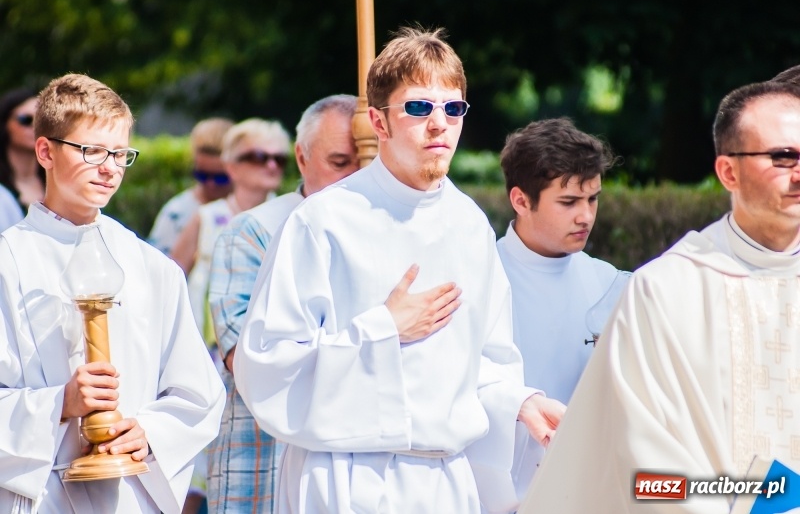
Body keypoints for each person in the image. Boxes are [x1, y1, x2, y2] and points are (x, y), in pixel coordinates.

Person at [234, 26, 565, 514]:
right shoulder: (322, 221)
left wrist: (518, 403)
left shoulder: (470, 226)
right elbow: (267, 364)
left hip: (445, 480)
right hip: (345, 477)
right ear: (379, 122)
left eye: (453, 108)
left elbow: (486, 363)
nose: (439, 124)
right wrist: (383, 329)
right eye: (418, 107)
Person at [519, 79, 800, 513]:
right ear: (728, 172)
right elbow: (649, 476)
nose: (798, 171)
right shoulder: (665, 291)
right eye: (782, 157)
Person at [0, 73, 225, 513]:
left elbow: (197, 394)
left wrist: (149, 433)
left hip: (129, 498)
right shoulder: (7, 264)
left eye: (121, 154)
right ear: (45, 150)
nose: (110, 168)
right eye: (92, 151)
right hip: (39, 497)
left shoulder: (153, 268)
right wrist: (59, 403)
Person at [206, 93, 359, 513]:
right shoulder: (253, 232)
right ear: (302, 157)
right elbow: (248, 362)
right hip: (263, 458)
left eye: (366, 162)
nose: (354, 178)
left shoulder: (383, 234)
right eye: (340, 162)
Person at [495, 117, 619, 500]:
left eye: (592, 199)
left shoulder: (611, 283)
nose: (585, 216)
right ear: (520, 200)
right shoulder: (482, 276)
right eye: (568, 202)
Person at [171, 117, 290, 513]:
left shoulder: (291, 221)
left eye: (278, 158)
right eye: (258, 157)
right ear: (232, 164)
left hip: (261, 362)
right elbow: (172, 282)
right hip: (205, 358)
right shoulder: (207, 218)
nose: (270, 165)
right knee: (195, 473)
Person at [148, 117, 234, 254]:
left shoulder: (257, 205)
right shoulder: (176, 213)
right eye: (202, 175)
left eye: (221, 178)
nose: (211, 184)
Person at [0, 88, 46, 211]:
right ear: (5, 124)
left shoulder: (58, 180)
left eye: (42, 121)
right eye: (26, 120)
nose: (35, 127)